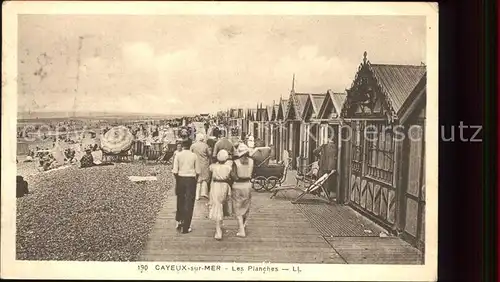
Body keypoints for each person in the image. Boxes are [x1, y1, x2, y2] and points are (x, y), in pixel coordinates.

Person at [172, 139, 200, 234]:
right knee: (189, 202)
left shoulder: (178, 155)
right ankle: (186, 226)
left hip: (180, 178)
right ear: (190, 145)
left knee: (180, 200)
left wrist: (178, 180)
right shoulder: (194, 156)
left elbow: (175, 171)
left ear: (183, 145)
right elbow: (198, 171)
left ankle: (179, 221)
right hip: (191, 179)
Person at [230, 143, 254, 237]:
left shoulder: (235, 162)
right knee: (246, 207)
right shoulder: (252, 161)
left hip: (237, 185)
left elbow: (233, 176)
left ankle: (241, 229)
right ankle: (243, 225)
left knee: (238, 208)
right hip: (248, 185)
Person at [208, 150, 233, 240]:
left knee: (217, 205)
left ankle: (218, 230)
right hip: (225, 186)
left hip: (216, 186)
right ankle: (220, 223)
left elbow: (210, 169)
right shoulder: (228, 167)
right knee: (222, 204)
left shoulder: (213, 167)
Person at [313, 131, 338, 196]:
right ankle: (327, 194)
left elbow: (315, 152)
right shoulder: (336, 148)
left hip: (323, 165)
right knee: (328, 181)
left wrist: (320, 157)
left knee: (319, 179)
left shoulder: (324, 146)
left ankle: (318, 192)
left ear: (328, 139)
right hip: (331, 167)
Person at [190, 133, 211, 200]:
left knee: (197, 179)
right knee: (204, 178)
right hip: (204, 163)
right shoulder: (205, 146)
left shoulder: (193, 145)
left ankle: (197, 195)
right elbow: (209, 154)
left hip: (195, 163)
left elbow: (190, 153)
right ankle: (204, 193)